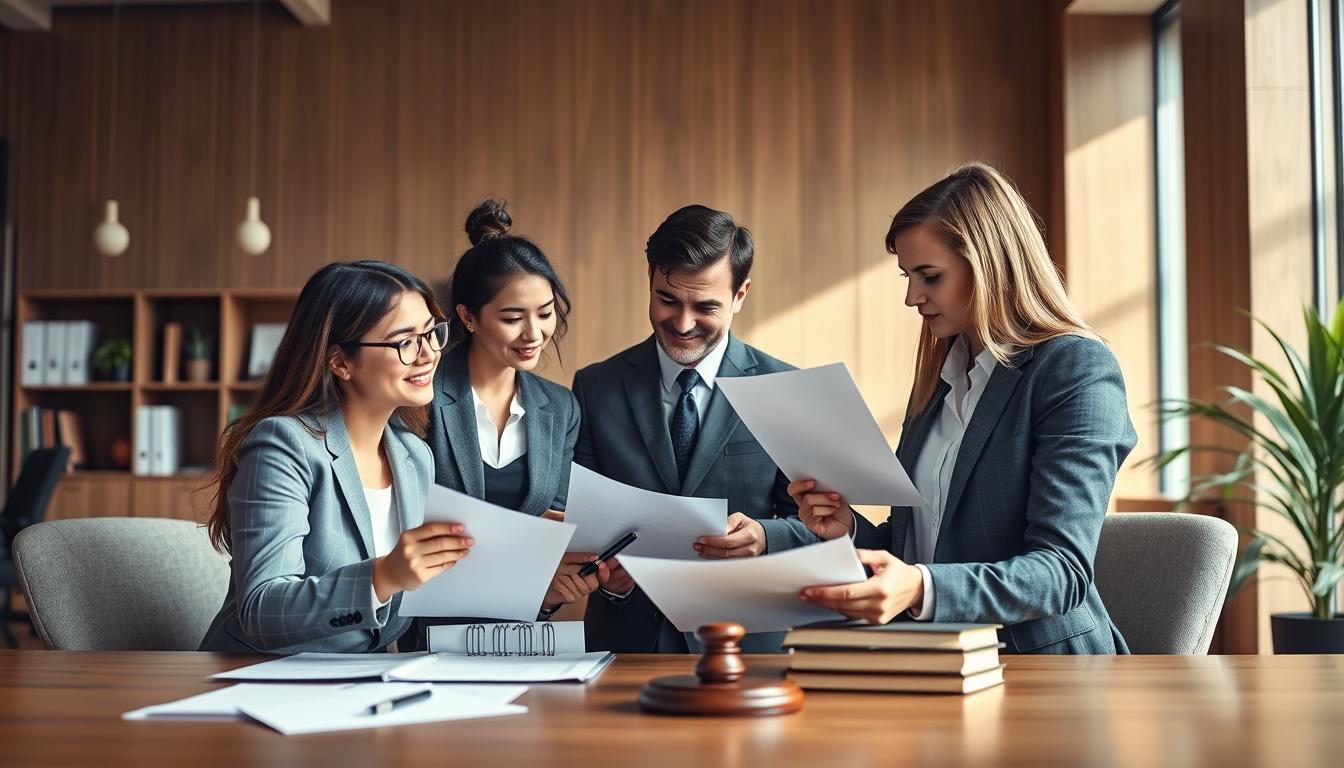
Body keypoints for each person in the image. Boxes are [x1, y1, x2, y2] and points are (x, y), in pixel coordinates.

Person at [795, 163, 1135, 654]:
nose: (912, 297)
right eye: (907, 276)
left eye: (929, 276)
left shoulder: (1075, 369)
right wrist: (848, 530)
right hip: (932, 658)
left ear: (988, 266)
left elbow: (1061, 572)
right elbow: (928, 547)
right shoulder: (939, 381)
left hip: (1038, 668)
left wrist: (921, 589)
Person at [573, 204, 819, 653]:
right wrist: (607, 575)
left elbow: (822, 528)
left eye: (705, 306)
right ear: (650, 277)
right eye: (667, 300)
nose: (682, 324)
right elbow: (582, 527)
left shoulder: (787, 389)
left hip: (746, 650)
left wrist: (766, 537)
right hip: (623, 645)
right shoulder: (594, 387)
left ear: (741, 295)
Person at [201, 260, 471, 653]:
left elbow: (398, 611)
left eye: (432, 333)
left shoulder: (415, 456)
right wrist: (382, 576)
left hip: (357, 685)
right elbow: (261, 610)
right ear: (340, 362)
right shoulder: (283, 444)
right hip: (258, 679)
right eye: (405, 341)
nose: (429, 353)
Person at [426, 198, 605, 620]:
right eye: (512, 318)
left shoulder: (559, 407)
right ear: (468, 317)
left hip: (524, 628)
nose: (534, 333)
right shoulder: (424, 398)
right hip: (433, 628)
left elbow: (552, 530)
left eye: (544, 314)